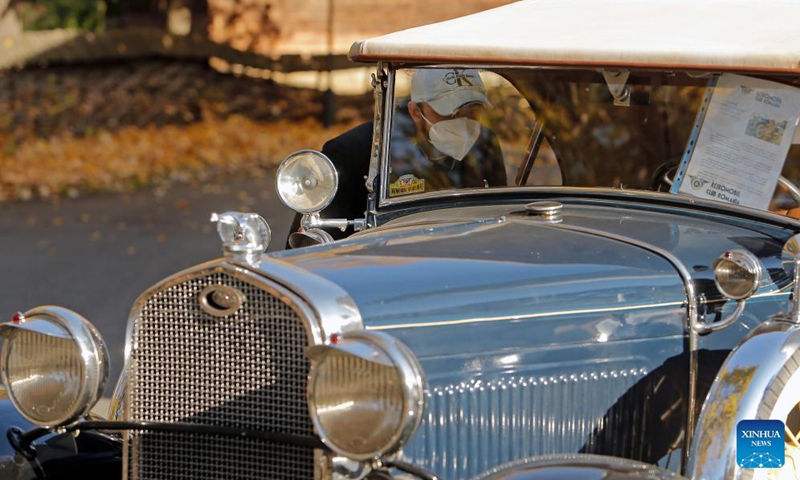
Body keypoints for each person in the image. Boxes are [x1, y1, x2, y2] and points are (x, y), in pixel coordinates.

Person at [286, 68, 506, 247]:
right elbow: (315, 244)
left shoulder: (484, 143)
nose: (463, 122)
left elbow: (499, 215)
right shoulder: (353, 151)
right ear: (415, 112)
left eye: (473, 112)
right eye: (449, 113)